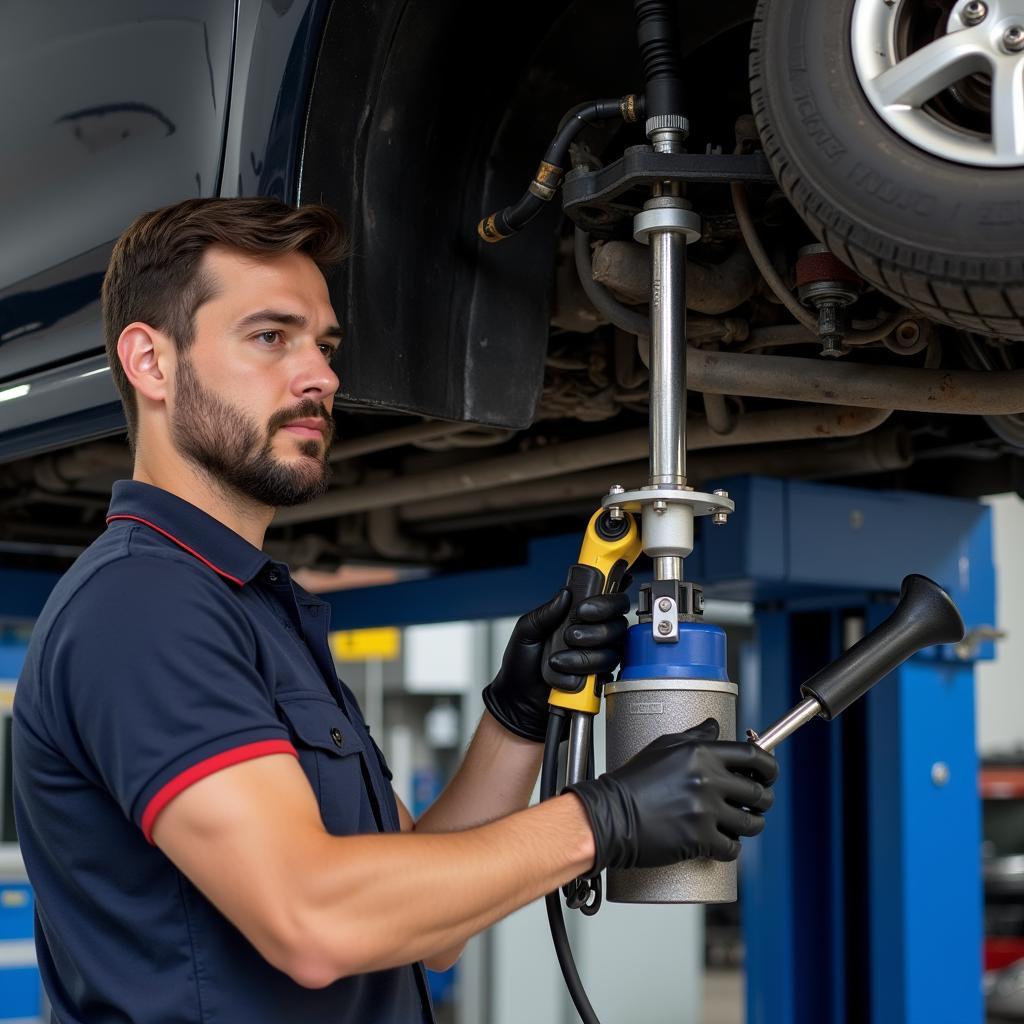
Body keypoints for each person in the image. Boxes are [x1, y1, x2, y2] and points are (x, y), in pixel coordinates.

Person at [12, 197, 778, 1023]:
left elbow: (422, 927)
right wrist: (607, 818)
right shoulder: (143, 605)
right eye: (271, 337)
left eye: (325, 346)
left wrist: (514, 719)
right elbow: (314, 919)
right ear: (150, 362)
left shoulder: (249, 609)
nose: (322, 377)